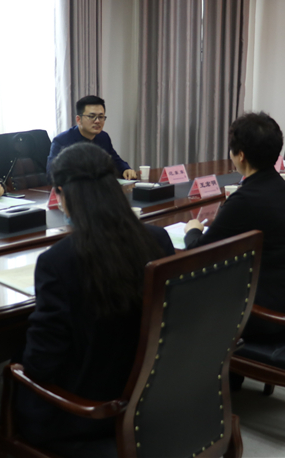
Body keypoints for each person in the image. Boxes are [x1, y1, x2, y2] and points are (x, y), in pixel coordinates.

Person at [15, 143, 175, 456]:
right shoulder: (157, 239)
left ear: (62, 194)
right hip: (150, 398)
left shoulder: (57, 262)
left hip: (86, 415)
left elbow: (40, 365)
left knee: (15, 363)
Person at [183, 112, 285, 342]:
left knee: (189, 299)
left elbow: (197, 254)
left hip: (273, 318)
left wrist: (193, 230)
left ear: (240, 155)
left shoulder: (244, 200)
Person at [46, 95, 137, 180]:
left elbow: (115, 160)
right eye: (91, 116)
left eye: (101, 117)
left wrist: (125, 169)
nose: (97, 121)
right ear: (78, 120)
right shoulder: (62, 140)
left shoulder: (103, 137)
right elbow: (52, 173)